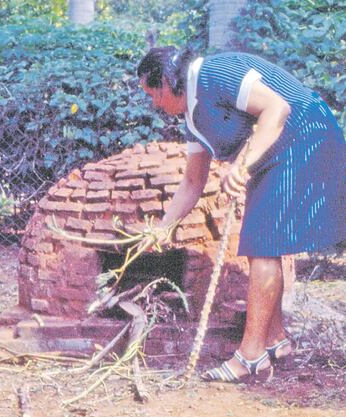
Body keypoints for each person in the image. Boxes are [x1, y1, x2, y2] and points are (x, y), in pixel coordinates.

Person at [137, 46, 345, 383]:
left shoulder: (213, 74)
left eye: (152, 94)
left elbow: (278, 108)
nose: (154, 104)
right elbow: (192, 182)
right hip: (273, 152)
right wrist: (163, 228)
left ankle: (251, 355)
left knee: (263, 243)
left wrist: (242, 165)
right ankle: (275, 340)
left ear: (166, 81)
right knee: (261, 239)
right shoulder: (193, 118)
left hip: (304, 134)